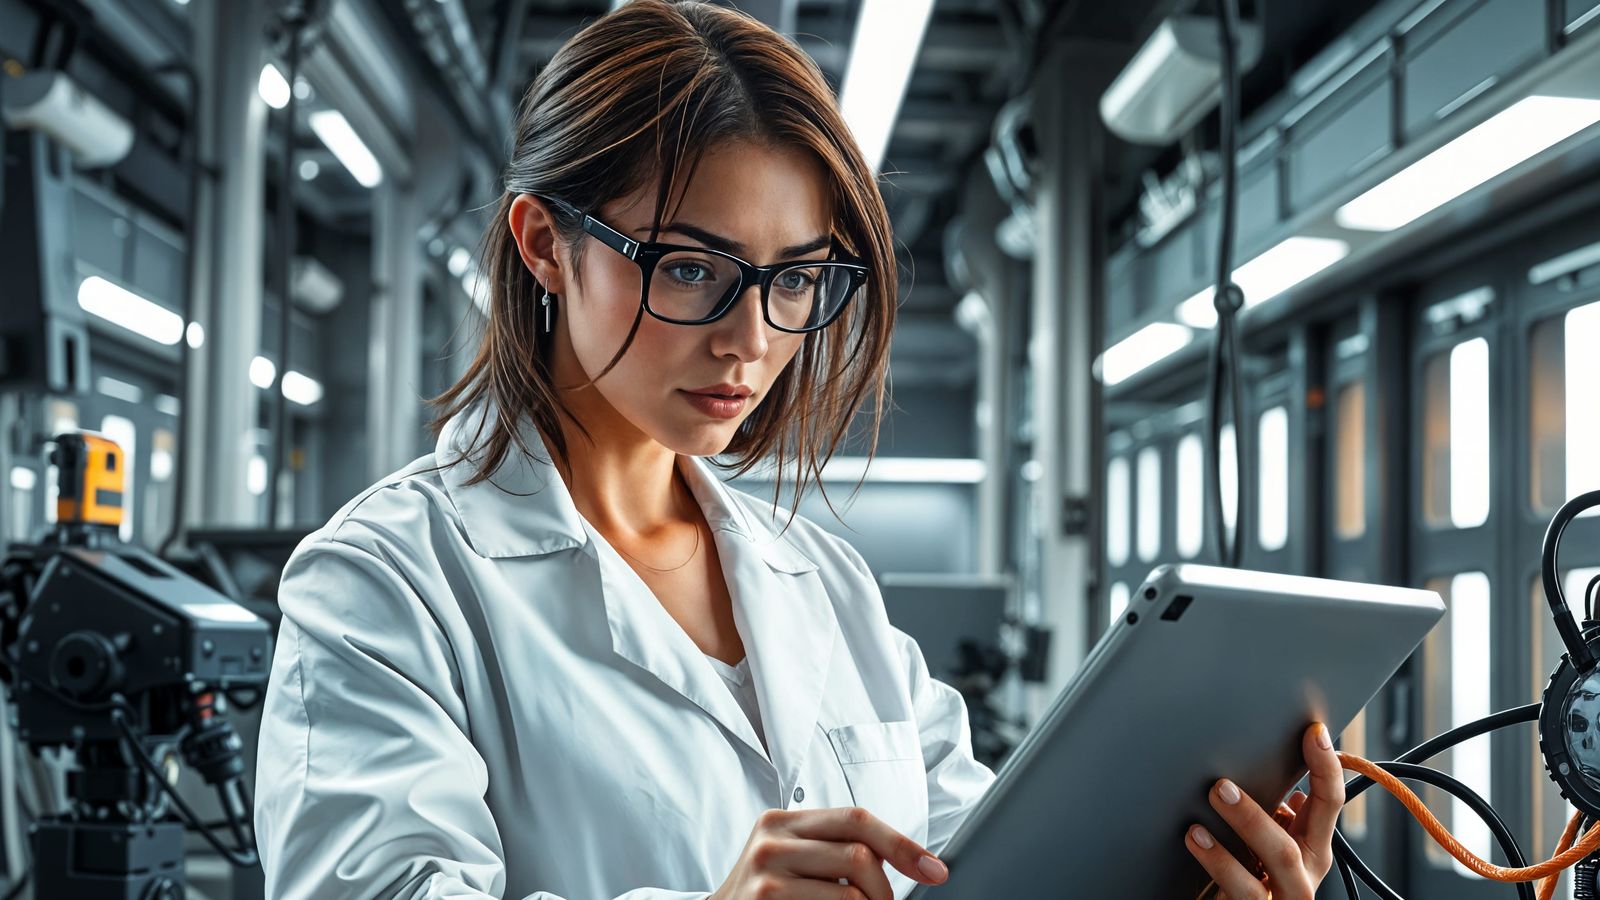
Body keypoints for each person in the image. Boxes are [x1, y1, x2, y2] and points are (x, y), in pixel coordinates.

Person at [252, 2, 1345, 898]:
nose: (752, 338)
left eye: (796, 280)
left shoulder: (823, 585)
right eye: (690, 267)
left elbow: (980, 868)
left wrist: (1182, 879)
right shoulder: (386, 583)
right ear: (546, 246)